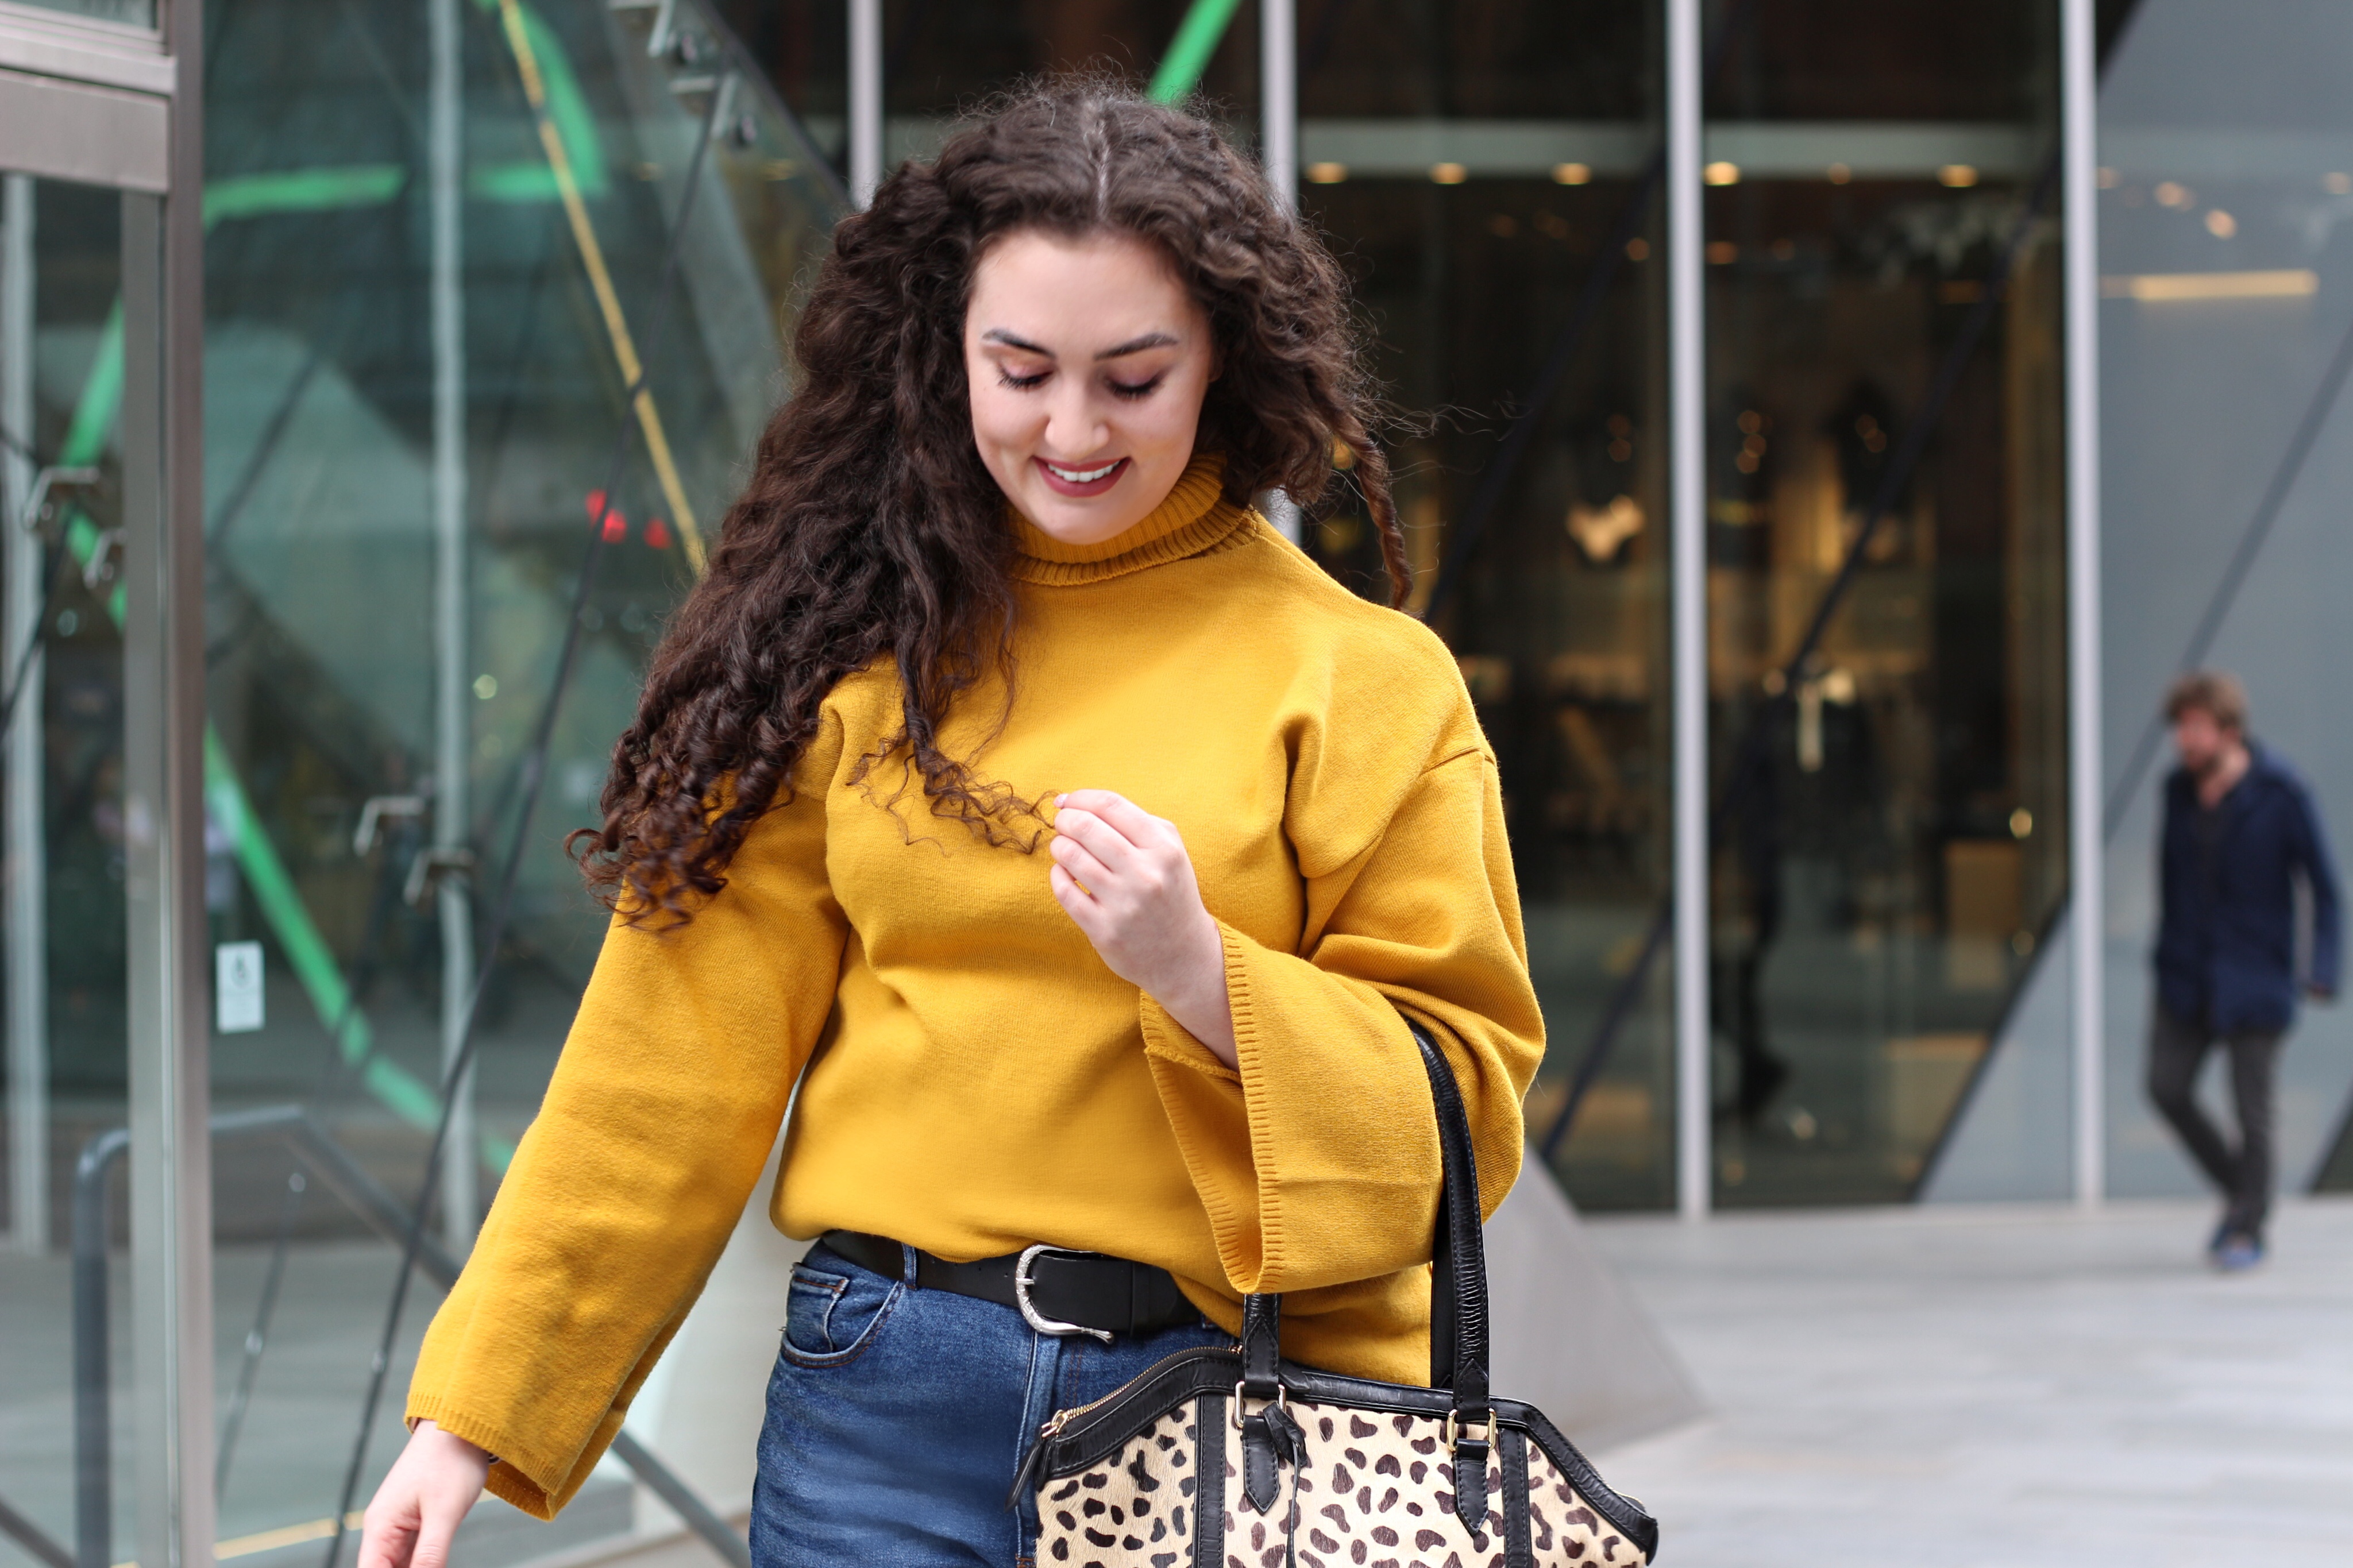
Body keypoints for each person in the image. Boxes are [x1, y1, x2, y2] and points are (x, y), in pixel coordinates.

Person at [358, 79, 1542, 1568]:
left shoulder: (1362, 678)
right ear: (950, 352)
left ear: (1220, 362)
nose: (1072, 426)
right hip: (883, 1403)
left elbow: (1467, 1114)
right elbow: (661, 1075)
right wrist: (471, 1419)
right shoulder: (848, 653)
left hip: (1233, 1417)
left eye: (1133, 376)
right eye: (1022, 368)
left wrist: (1204, 975)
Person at [2148, 670, 2338, 1272]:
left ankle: (2246, 1228)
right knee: (2165, 1086)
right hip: (2187, 973)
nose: (2184, 739)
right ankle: (2242, 1190)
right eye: (2180, 727)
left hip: (2255, 973)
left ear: (2228, 730)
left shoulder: (2282, 794)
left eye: (2195, 727)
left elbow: (2325, 889)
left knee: (2251, 1109)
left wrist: (2322, 968)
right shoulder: (2176, 791)